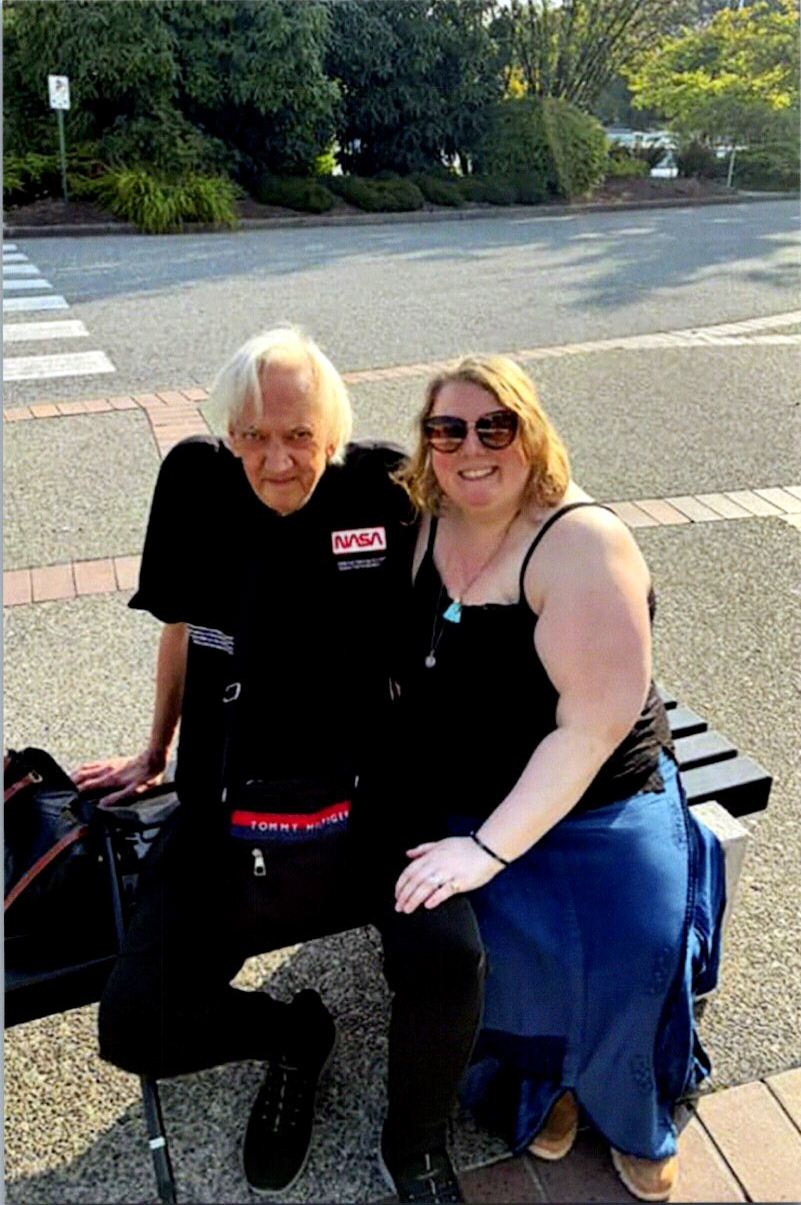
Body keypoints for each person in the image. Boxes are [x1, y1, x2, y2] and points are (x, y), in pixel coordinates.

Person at [74, 327, 484, 1204]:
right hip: (228, 802)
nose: (276, 459)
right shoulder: (195, 482)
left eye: (298, 434)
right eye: (253, 435)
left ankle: (414, 1142)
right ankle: (296, 1036)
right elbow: (181, 627)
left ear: (331, 430)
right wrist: (155, 748)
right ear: (227, 431)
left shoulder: (383, 486)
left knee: (450, 956)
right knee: (134, 1023)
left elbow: (502, 501)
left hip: (371, 802)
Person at [389, 354, 725, 1203]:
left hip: (600, 794)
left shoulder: (578, 542)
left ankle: (627, 1102)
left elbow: (589, 728)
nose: (470, 448)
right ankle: (542, 1086)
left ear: (530, 434)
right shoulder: (424, 514)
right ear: (426, 443)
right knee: (490, 942)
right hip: (469, 782)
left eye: (493, 427)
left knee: (632, 942)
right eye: (446, 430)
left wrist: (486, 849)